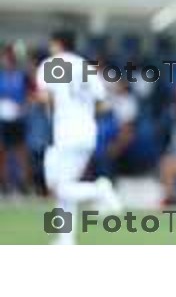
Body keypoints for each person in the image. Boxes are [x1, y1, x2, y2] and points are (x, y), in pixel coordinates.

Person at [36, 30, 121, 245]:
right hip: (87, 132)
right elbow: (102, 104)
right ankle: (66, 239)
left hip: (64, 132)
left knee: (57, 186)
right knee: (67, 184)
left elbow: (47, 98)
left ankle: (99, 190)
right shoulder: (86, 67)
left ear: (56, 44)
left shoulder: (51, 65)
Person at [0, 47, 32, 194]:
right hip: (3, 119)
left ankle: (24, 183)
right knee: (3, 152)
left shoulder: (22, 76)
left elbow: (30, 95)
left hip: (18, 119)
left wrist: (23, 107)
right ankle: (4, 183)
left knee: (21, 152)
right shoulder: (1, 76)